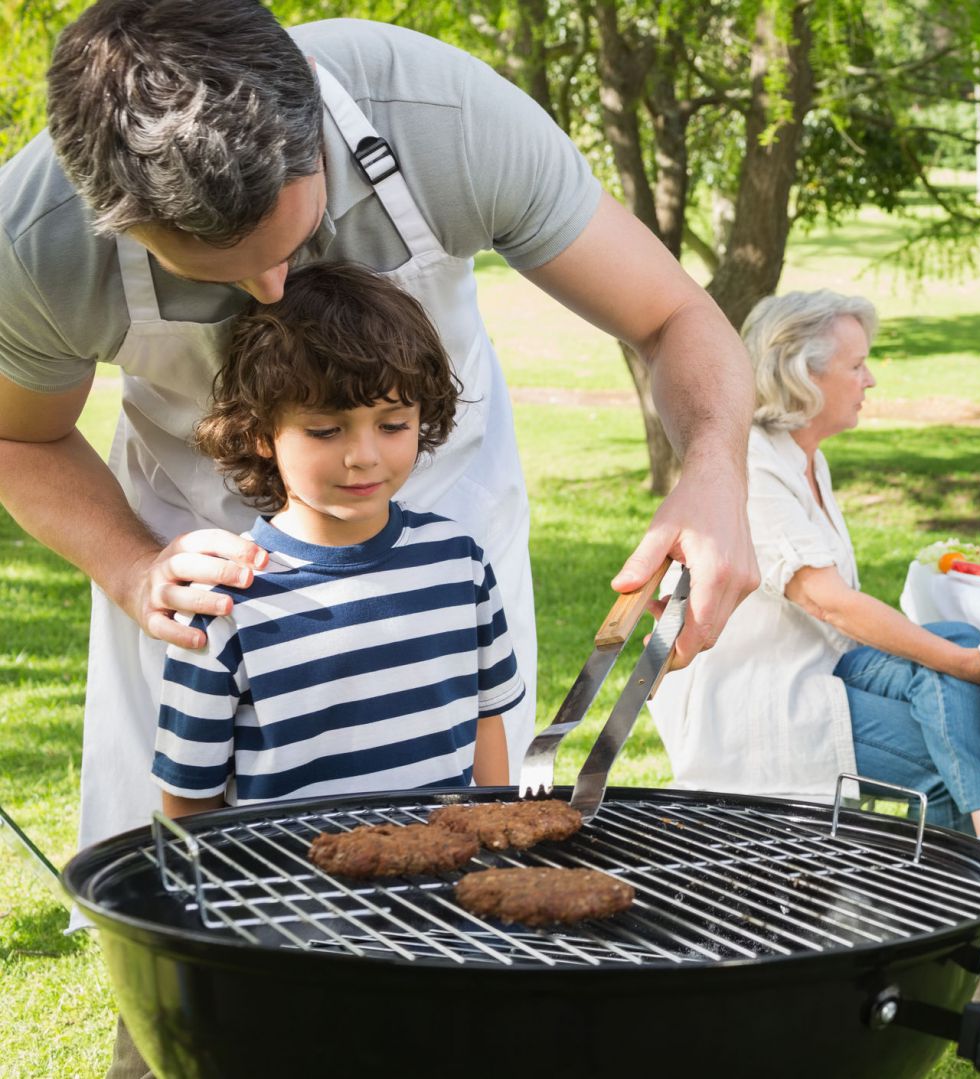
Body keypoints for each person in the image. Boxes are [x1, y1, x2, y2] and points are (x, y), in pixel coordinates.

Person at [0, 2, 756, 871]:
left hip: (445, 508)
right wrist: (134, 566)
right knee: (184, 894)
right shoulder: (35, 240)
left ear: (311, 123)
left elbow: (674, 315)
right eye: (223, 270)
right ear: (115, 220)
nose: (275, 288)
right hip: (197, 561)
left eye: (289, 239)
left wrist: (712, 471)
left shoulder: (446, 122)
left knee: (458, 872)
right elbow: (20, 439)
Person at [132, 261, 523, 1074]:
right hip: (297, 929)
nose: (363, 455)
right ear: (259, 433)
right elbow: (190, 802)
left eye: (392, 422)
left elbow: (488, 718)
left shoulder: (458, 562)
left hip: (445, 915)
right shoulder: (230, 599)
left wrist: (492, 853)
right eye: (325, 428)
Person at [650, 292, 980, 968]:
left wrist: (957, 657)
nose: (871, 380)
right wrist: (964, 667)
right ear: (803, 377)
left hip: (824, 661)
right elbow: (830, 600)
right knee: (950, 754)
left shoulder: (805, 454)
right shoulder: (750, 463)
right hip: (760, 694)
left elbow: (838, 619)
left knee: (954, 639)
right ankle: (977, 954)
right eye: (857, 366)